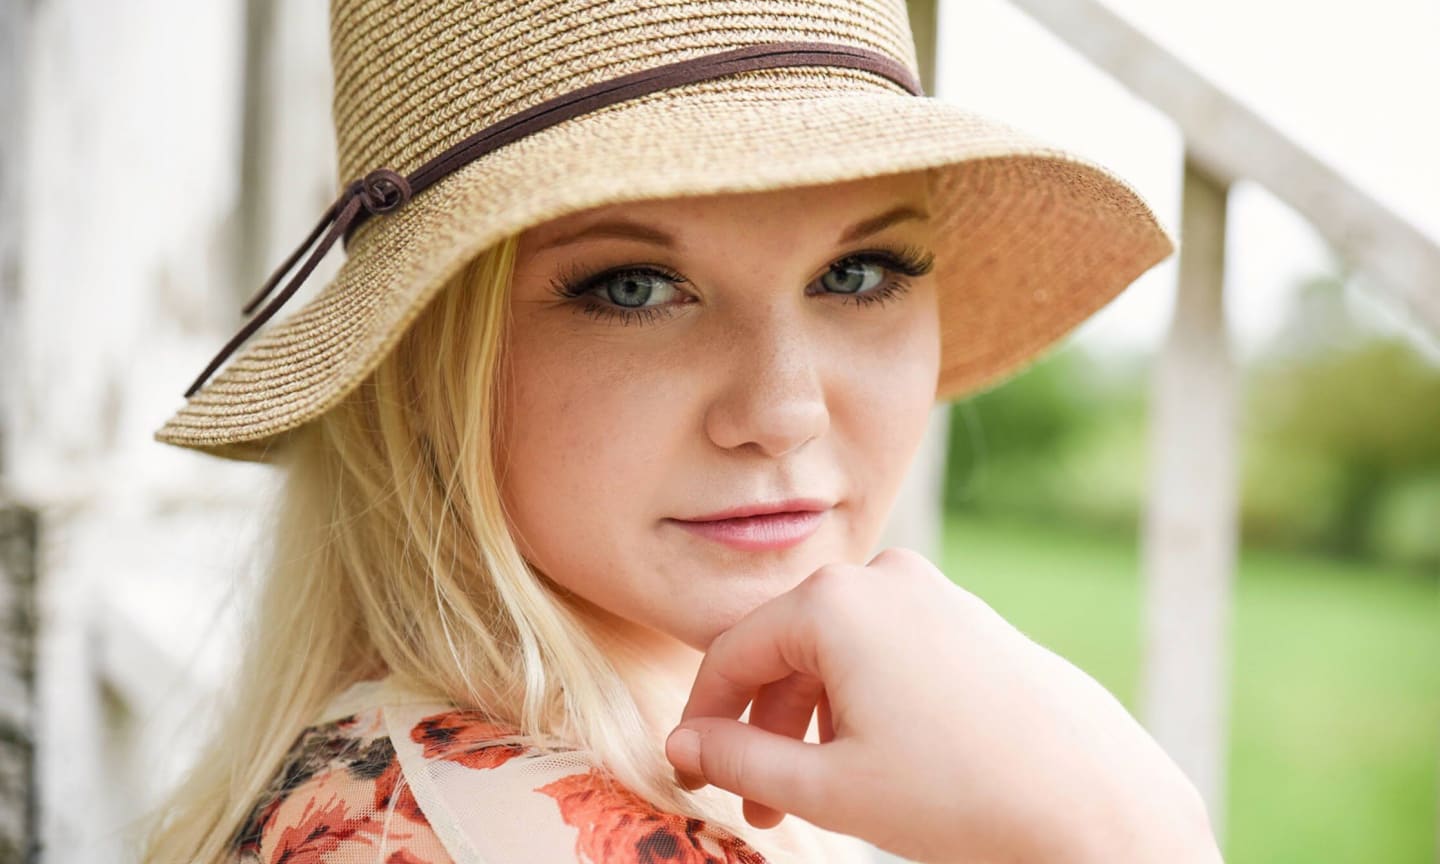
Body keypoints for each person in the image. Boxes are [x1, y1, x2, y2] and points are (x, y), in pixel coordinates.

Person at [140, 2, 1221, 863]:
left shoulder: (500, 769)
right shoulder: (479, 829)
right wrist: (1127, 839)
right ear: (430, 358)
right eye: (636, 286)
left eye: (858, 272)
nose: (783, 412)